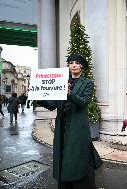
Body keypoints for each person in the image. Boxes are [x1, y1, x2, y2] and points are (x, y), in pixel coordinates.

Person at [37, 54, 97, 189]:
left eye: (77, 63)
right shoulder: (61, 81)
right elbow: (52, 105)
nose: (73, 65)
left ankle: (80, 182)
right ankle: (65, 183)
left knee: (76, 155)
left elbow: (83, 103)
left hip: (77, 126)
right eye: (71, 63)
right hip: (62, 126)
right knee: (63, 155)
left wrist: (70, 94)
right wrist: (37, 96)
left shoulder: (88, 83)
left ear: (82, 66)